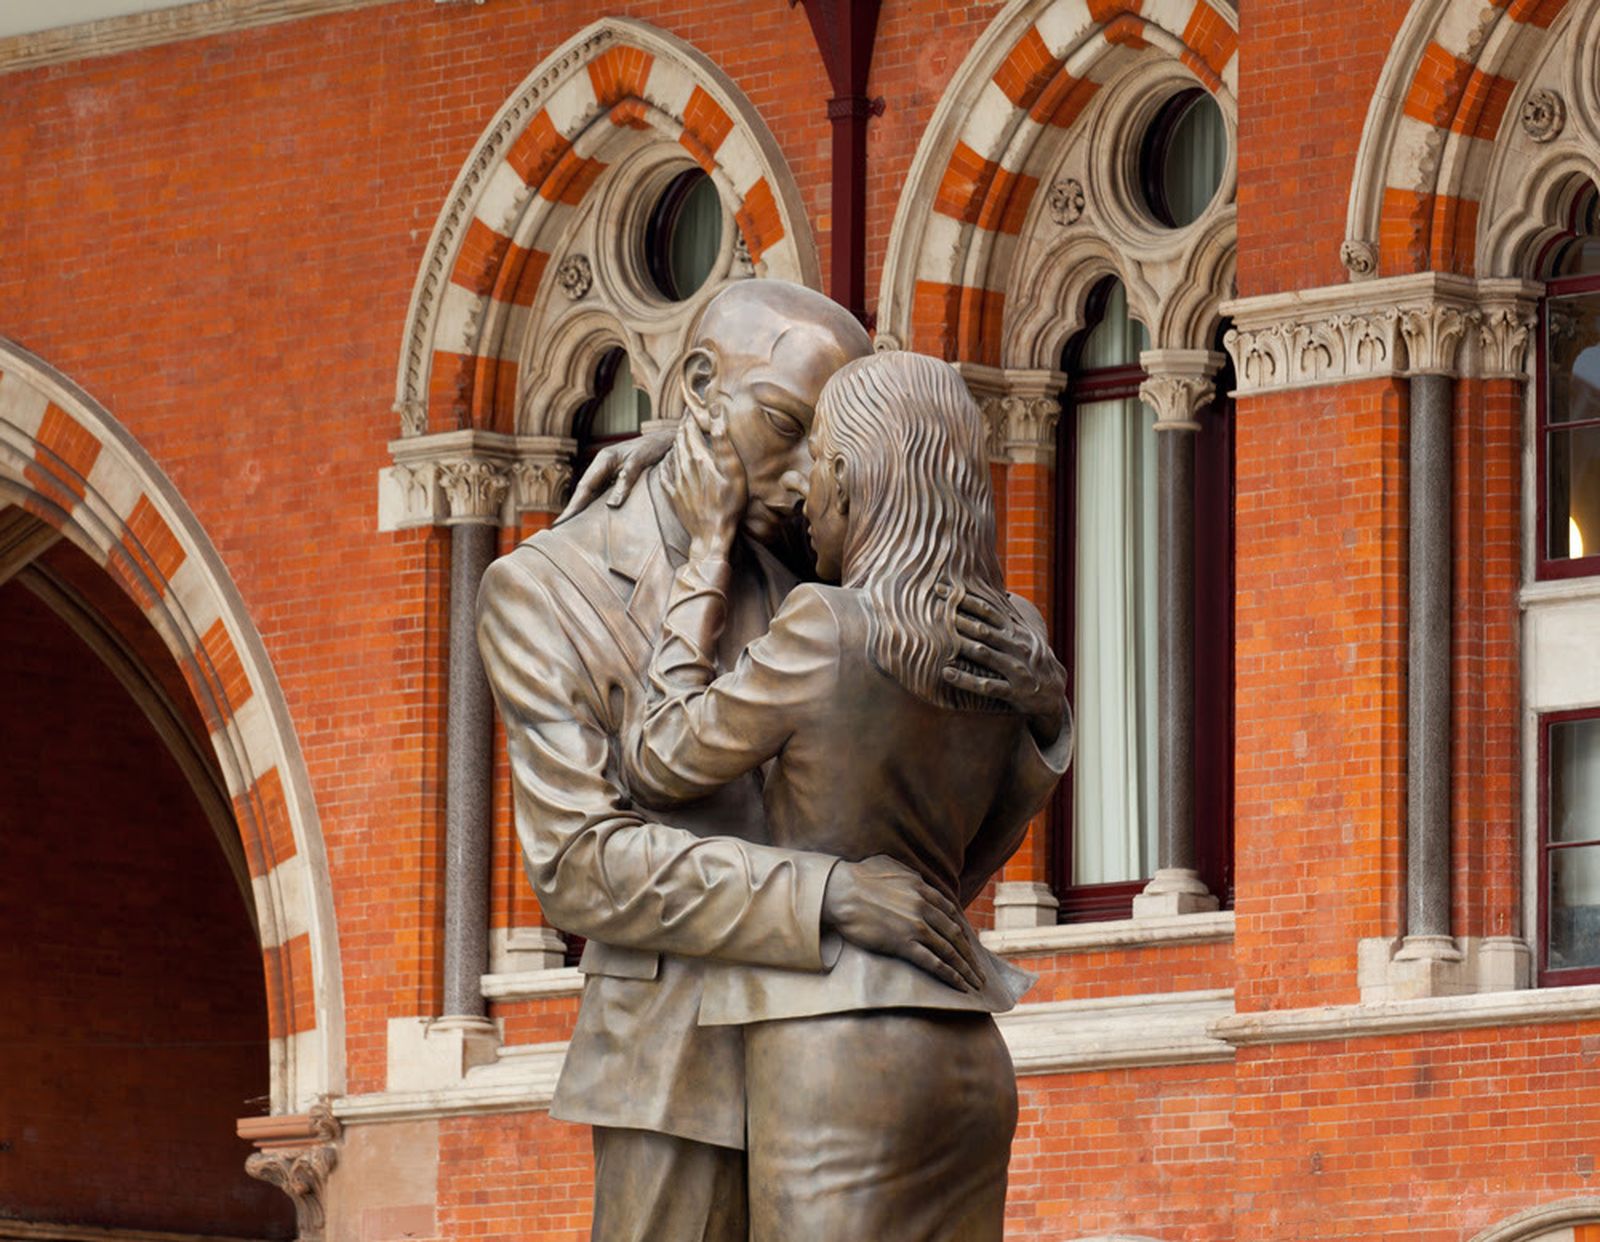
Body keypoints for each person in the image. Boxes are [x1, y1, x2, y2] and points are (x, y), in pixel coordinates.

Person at [475, 280, 1070, 1242]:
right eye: (784, 426)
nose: (804, 478)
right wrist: (825, 895)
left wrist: (1041, 722)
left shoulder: (832, 559)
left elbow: (925, 813)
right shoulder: (546, 589)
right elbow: (580, 866)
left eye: (820, 444)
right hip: (676, 1079)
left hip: (860, 1053)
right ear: (700, 386)